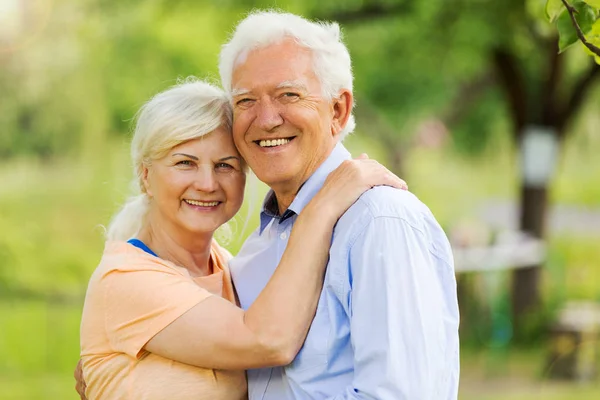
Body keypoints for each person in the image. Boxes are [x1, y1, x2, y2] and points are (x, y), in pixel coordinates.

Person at [77, 78, 406, 399]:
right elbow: (268, 341)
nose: (207, 184)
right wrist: (322, 206)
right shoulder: (126, 279)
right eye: (185, 163)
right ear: (146, 176)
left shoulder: (231, 269)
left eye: (225, 165)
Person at [219, 10, 460, 399]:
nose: (265, 120)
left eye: (288, 95)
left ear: (338, 110)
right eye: (245, 101)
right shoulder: (258, 245)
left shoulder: (379, 222)